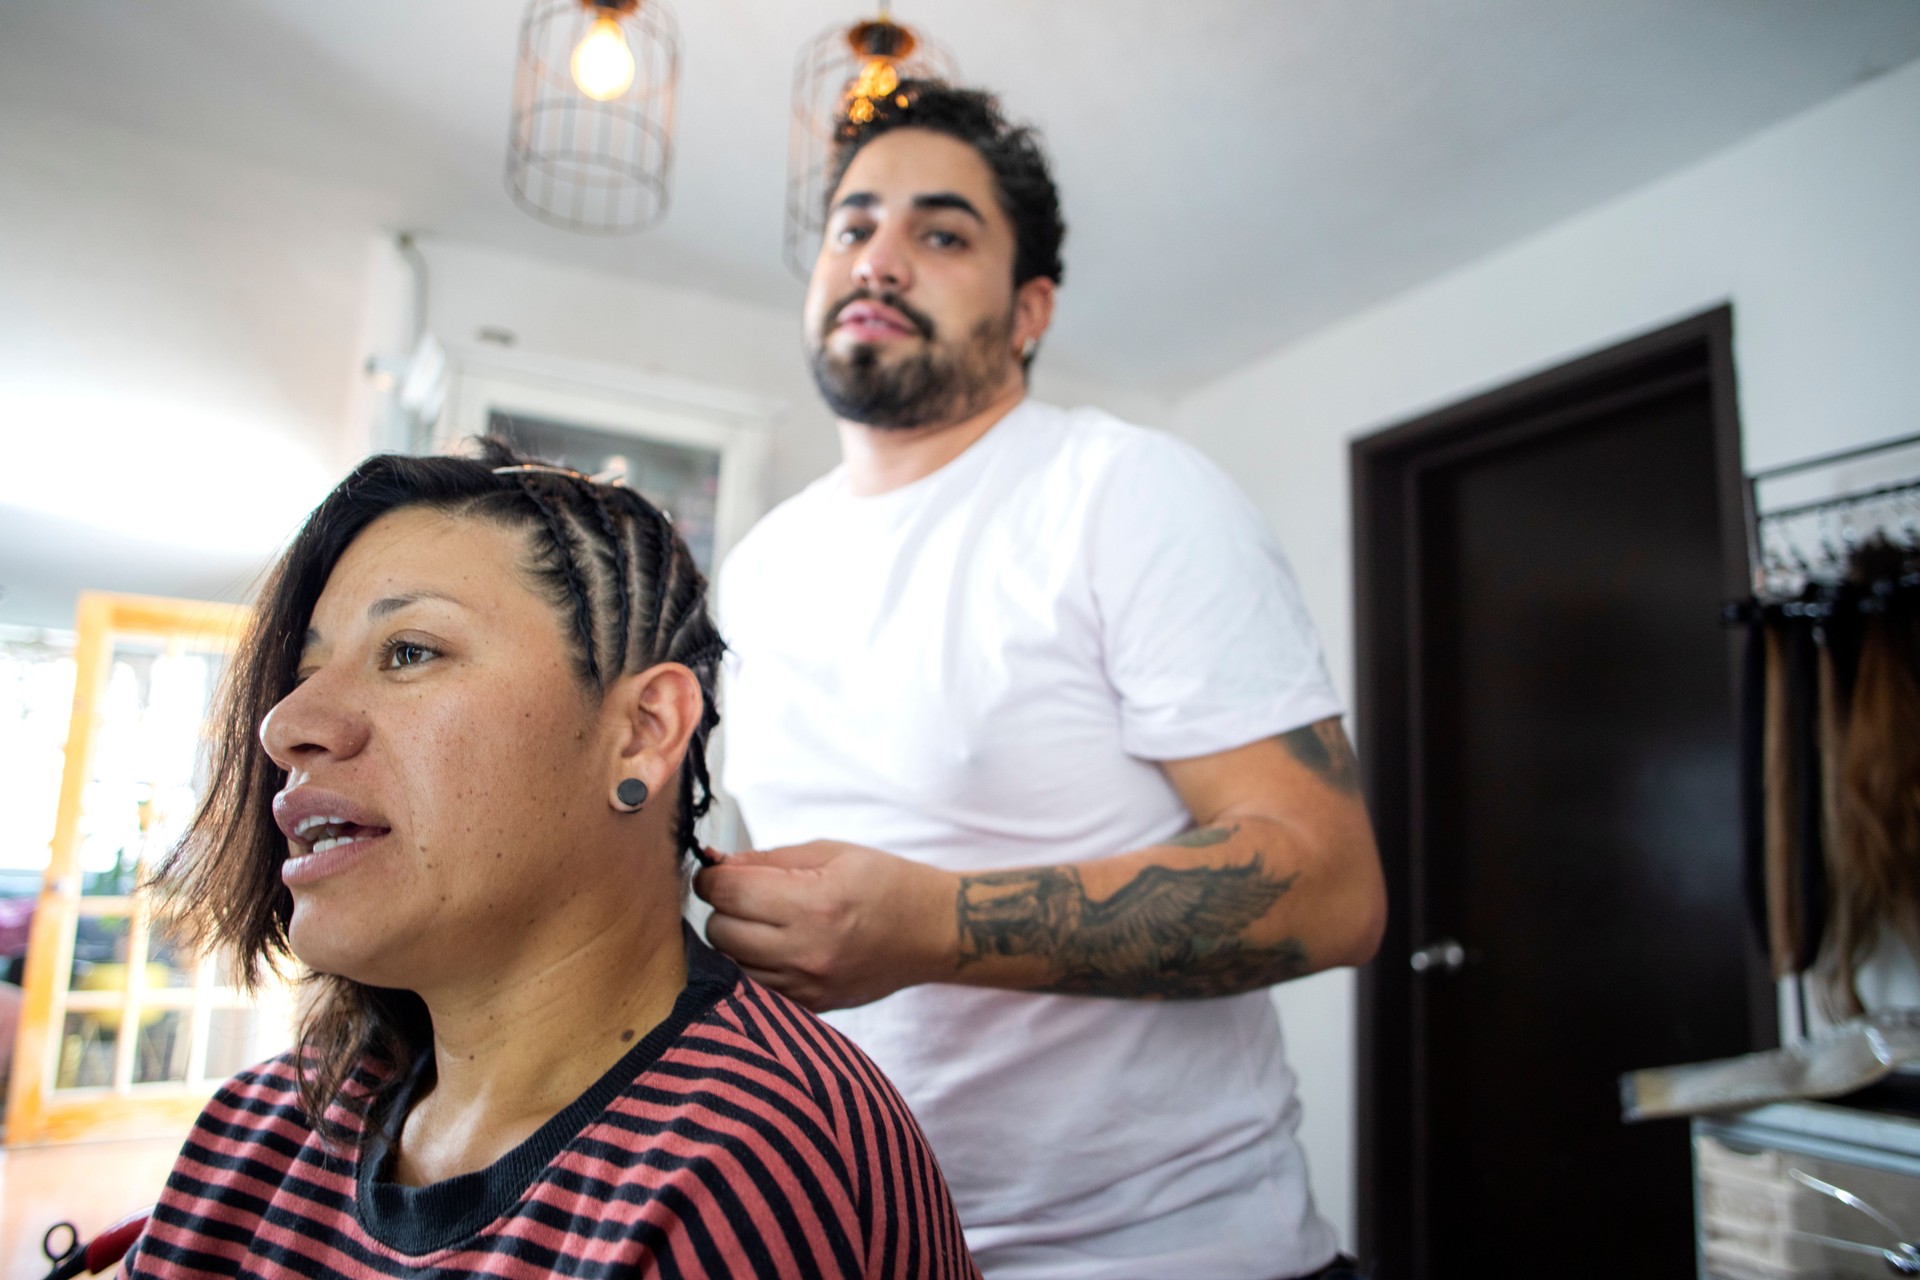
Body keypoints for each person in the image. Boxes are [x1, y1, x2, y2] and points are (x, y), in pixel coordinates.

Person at [700, 82, 1387, 1280]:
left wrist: (927, 923)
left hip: (1175, 1254)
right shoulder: (757, 570)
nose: (881, 259)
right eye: (853, 227)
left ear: (1030, 310)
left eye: (942, 232)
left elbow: (1333, 887)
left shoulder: (1128, 494)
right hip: (870, 1241)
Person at [125, 443, 979, 1280]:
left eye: (411, 652)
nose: (287, 724)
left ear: (643, 733)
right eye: (306, 671)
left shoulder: (754, 1168)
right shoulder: (254, 1134)